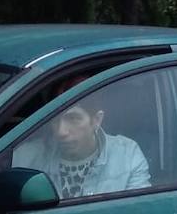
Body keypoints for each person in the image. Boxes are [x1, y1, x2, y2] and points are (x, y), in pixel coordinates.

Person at [13, 85, 151, 199]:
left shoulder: (126, 154)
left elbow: (139, 211)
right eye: (55, 119)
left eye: (73, 119)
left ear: (96, 120)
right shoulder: (27, 156)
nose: (61, 131)